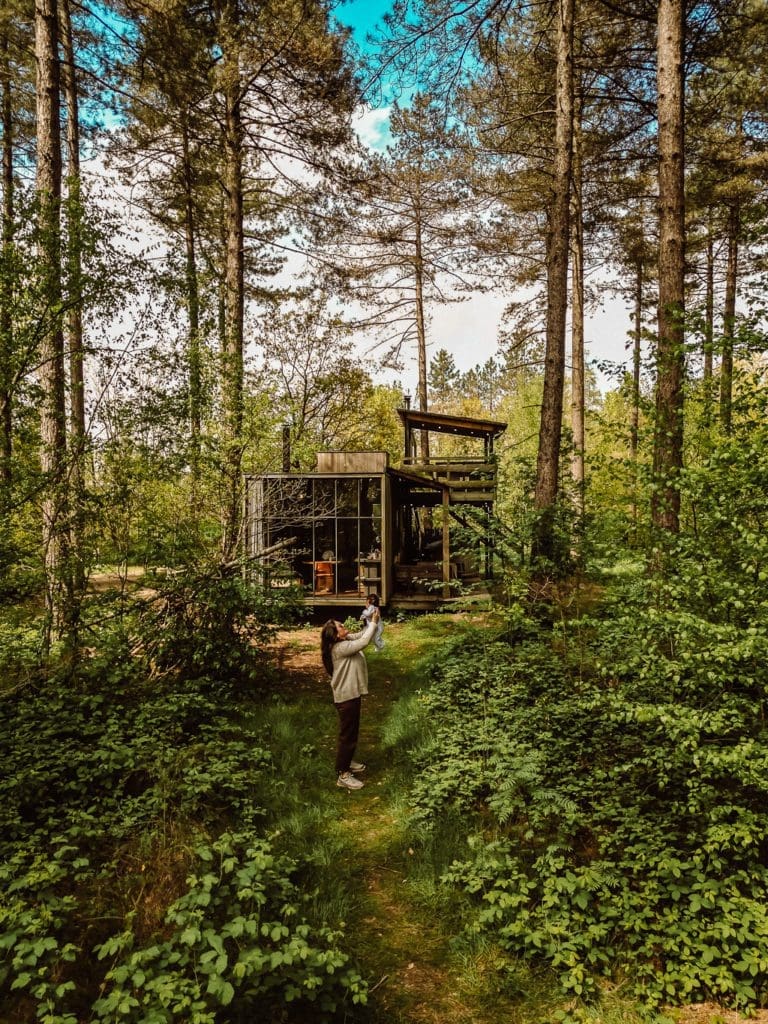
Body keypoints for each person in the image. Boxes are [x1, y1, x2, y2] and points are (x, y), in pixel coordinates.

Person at [320, 613, 379, 790]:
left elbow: (360, 635)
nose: (345, 626)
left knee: (351, 733)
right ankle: (343, 774)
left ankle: (347, 760)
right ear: (336, 635)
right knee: (348, 736)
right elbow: (363, 642)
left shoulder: (341, 642)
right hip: (346, 698)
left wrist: (370, 622)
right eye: (341, 626)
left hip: (350, 695)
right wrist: (374, 624)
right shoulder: (339, 648)